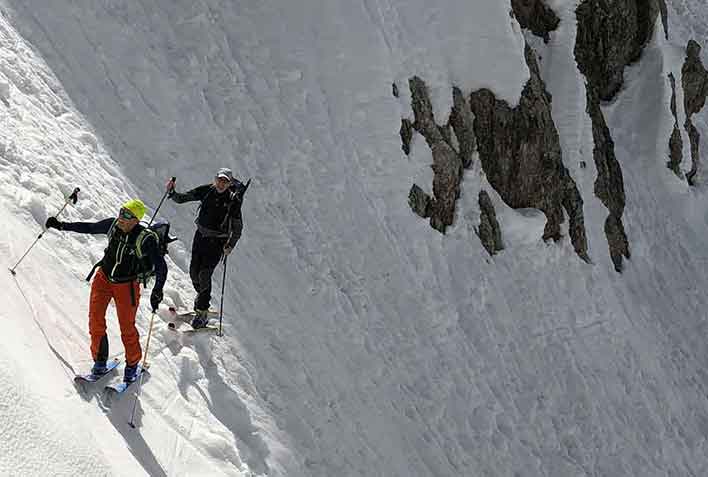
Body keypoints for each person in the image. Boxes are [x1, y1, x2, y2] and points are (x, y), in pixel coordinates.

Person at [45, 199, 167, 382]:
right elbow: (90, 227)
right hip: (103, 279)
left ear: (136, 220)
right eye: (121, 212)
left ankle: (132, 365)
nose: (121, 218)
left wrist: (158, 290)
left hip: (127, 286)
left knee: (127, 327)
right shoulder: (113, 225)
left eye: (127, 215)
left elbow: (161, 267)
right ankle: (100, 362)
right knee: (95, 320)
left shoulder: (145, 239)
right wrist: (61, 225)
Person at [166, 167, 244, 328]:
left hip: (217, 242)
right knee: (194, 273)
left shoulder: (233, 201)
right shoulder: (207, 191)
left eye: (225, 181)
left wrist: (230, 245)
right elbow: (183, 198)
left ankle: (202, 312)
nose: (221, 184)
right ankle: (202, 297)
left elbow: (237, 228)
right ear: (215, 179)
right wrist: (172, 193)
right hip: (200, 237)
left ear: (230, 184)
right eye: (219, 180)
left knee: (204, 274)